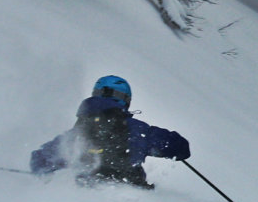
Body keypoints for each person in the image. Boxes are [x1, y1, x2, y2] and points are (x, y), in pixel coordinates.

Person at [30, 76, 190, 188]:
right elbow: (180, 148)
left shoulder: (75, 134)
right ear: (125, 100)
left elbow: (39, 161)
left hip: (83, 196)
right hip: (130, 195)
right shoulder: (137, 130)